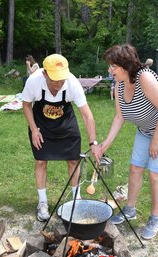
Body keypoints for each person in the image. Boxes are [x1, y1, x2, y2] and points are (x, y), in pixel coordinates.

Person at [99, 44, 158, 240]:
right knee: (135, 168)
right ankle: (130, 209)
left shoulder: (145, 78)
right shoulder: (120, 84)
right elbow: (119, 117)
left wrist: (156, 140)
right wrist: (104, 145)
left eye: (113, 66)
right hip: (146, 130)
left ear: (125, 65)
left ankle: (155, 218)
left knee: (155, 173)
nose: (109, 70)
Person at [22, 54, 101, 222]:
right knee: (41, 161)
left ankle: (76, 200)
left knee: (73, 161)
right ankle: (42, 202)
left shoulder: (71, 83)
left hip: (66, 125)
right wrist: (34, 129)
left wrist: (93, 142)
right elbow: (26, 105)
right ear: (45, 74)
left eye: (62, 80)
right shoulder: (34, 81)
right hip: (41, 125)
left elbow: (87, 115)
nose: (60, 84)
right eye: (56, 80)